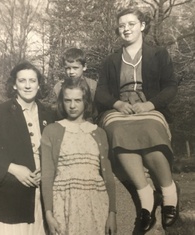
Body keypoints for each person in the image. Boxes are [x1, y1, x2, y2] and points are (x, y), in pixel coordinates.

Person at [95, 8, 179, 232]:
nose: (126, 29)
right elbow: (100, 93)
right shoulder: (111, 60)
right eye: (122, 25)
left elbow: (171, 86)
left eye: (131, 24)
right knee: (115, 129)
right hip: (120, 110)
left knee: (150, 126)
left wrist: (150, 105)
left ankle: (169, 191)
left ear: (142, 26)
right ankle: (147, 196)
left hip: (148, 107)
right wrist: (118, 104)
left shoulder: (158, 54)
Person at [0, 61, 55, 235]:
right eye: (22, 80)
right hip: (6, 200)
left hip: (41, 199)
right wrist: (13, 169)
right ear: (14, 85)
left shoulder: (50, 114)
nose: (27, 85)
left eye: (32, 81)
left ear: (39, 84)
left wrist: (47, 169)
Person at [41, 78, 117, 235]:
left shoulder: (99, 133)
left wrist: (112, 213)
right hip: (64, 203)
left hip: (96, 202)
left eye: (78, 100)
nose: (72, 105)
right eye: (67, 100)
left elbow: (108, 177)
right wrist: (49, 214)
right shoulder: (52, 131)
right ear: (62, 102)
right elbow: (47, 176)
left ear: (86, 101)